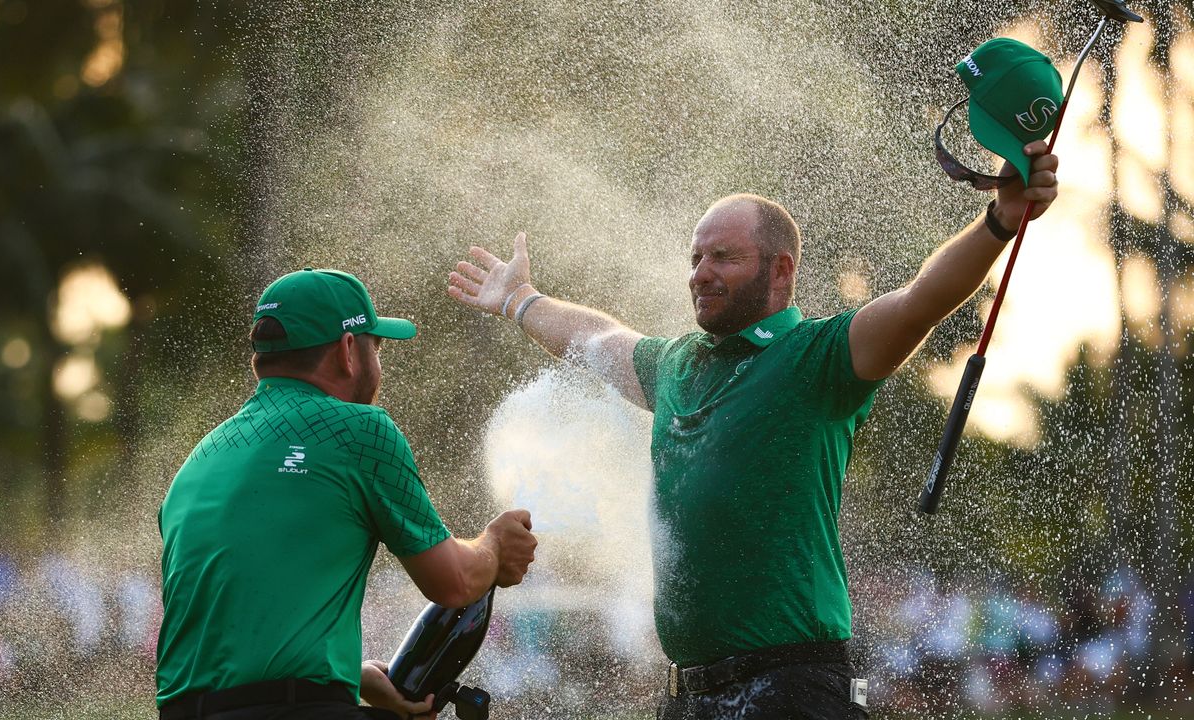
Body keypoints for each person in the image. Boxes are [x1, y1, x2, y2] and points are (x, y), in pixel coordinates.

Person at [447, 136, 1059, 718]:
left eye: (723, 256)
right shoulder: (678, 365)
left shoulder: (816, 358)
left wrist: (1000, 220)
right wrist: (519, 297)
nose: (700, 272)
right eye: (695, 257)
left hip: (791, 686)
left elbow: (921, 298)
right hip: (689, 693)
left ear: (780, 271)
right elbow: (595, 337)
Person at [156, 268, 538, 720]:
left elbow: (237, 616)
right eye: (377, 348)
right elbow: (454, 583)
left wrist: (351, 674)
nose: (379, 365)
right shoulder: (360, 431)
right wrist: (494, 546)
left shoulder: (201, 459)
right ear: (347, 350)